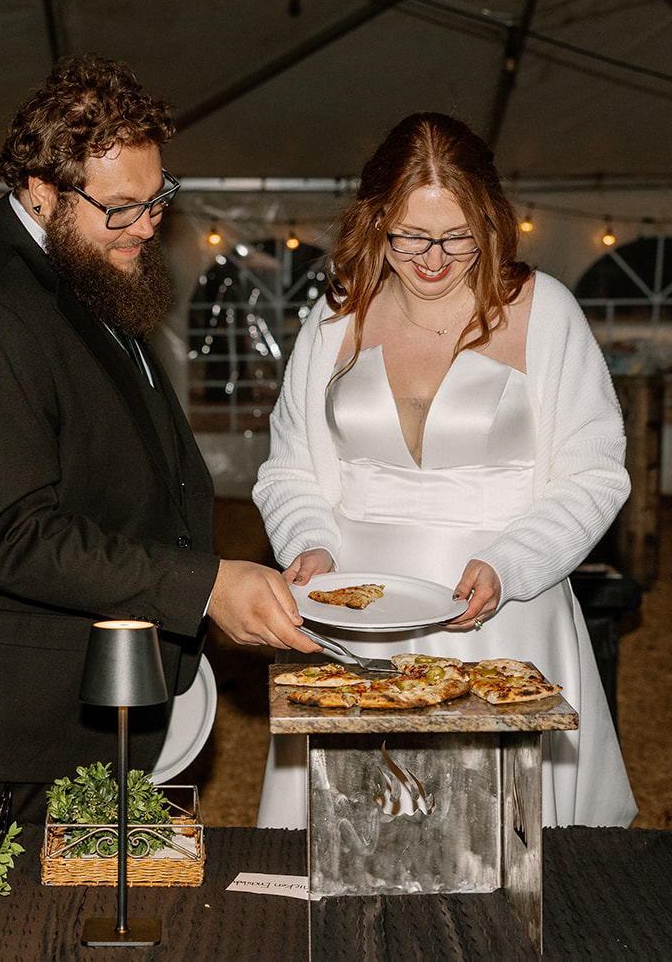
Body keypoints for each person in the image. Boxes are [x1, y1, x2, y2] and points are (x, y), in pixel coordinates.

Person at [0, 55, 318, 822]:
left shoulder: (78, 257)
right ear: (40, 188)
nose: (146, 224)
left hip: (70, 694)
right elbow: (13, 536)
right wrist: (201, 586)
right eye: (121, 207)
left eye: (158, 198)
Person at [253, 112, 638, 830]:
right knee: (359, 837)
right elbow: (289, 470)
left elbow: (594, 473)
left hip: (505, 618)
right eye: (410, 237)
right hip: (361, 620)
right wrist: (308, 541)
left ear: (490, 222)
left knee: (498, 844)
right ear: (374, 224)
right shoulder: (334, 319)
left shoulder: (545, 310)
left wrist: (511, 562)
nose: (433, 259)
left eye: (457, 237)